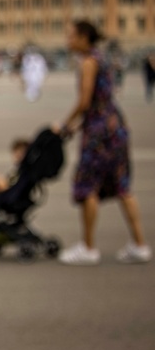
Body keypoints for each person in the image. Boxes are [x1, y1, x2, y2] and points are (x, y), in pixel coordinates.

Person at [56, 20, 149, 265]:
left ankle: (88, 247)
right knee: (122, 186)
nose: (68, 41)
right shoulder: (103, 59)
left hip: (98, 133)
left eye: (71, 36)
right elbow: (101, 101)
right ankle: (139, 245)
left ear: (84, 37)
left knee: (88, 186)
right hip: (115, 126)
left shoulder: (88, 63)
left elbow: (85, 101)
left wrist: (65, 125)